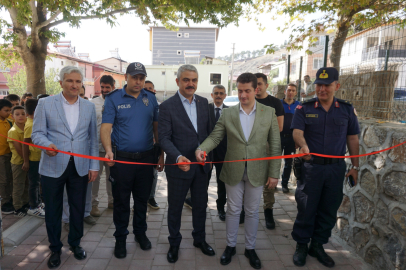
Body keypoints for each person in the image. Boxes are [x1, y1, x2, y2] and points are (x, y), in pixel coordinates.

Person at [196, 73, 281, 269]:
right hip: (233, 169)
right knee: (233, 210)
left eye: (247, 91)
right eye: (240, 91)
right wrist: (202, 149)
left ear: (256, 90)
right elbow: (215, 137)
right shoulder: (229, 113)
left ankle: (250, 248)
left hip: (257, 171)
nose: (243, 95)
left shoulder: (268, 113)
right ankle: (231, 246)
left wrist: (274, 173)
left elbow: (275, 145)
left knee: (251, 211)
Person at [291, 67, 360, 268]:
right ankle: (302, 245)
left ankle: (318, 245)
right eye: (319, 85)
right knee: (306, 208)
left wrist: (355, 166)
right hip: (311, 168)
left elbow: (353, 138)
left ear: (336, 86)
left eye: (327, 85)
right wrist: (303, 146)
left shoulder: (346, 110)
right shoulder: (305, 109)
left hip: (335, 169)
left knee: (329, 209)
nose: (322, 89)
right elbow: (297, 132)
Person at [32, 66, 99, 269]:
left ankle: (75, 243)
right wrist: (46, 146)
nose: (74, 85)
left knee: (78, 209)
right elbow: (37, 134)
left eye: (78, 82)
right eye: (70, 81)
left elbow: (93, 139)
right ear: (61, 82)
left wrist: (94, 165)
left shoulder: (88, 107)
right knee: (53, 210)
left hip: (80, 167)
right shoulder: (45, 103)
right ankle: (54, 248)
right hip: (53, 165)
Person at [101, 62, 163, 258]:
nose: (138, 81)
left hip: (146, 159)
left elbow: (157, 128)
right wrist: (108, 150)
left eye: (142, 78)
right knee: (121, 202)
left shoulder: (150, 98)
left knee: (142, 201)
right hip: (122, 161)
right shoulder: (114, 99)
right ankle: (120, 238)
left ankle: (140, 233)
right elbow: (106, 127)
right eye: (135, 77)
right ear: (126, 77)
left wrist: (160, 153)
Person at [158, 64, 214, 263]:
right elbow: (163, 138)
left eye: (194, 80)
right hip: (179, 166)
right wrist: (177, 156)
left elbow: (208, 134)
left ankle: (199, 239)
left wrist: (206, 153)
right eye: (186, 80)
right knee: (175, 207)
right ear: (178, 81)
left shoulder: (204, 103)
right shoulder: (166, 107)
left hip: (201, 166)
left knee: (200, 205)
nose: (191, 84)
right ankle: (174, 243)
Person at [254, 73, 284, 230]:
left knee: (269, 181)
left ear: (266, 85)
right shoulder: (248, 100)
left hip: (268, 145)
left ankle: (268, 211)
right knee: (247, 177)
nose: (257, 87)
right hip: (250, 146)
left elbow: (279, 127)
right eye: (255, 84)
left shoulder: (274, 102)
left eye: (259, 84)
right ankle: (244, 212)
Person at [90, 75, 115, 217]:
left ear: (113, 87)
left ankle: (112, 201)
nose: (105, 90)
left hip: (114, 149)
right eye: (103, 87)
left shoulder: (117, 102)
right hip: (96, 148)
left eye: (108, 87)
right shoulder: (93, 104)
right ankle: (94, 204)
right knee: (95, 178)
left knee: (112, 177)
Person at [22, 99, 45, 218]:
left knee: (37, 182)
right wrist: (26, 161)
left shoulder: (34, 122)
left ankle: (38, 203)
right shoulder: (31, 125)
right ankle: (33, 207)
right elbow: (25, 144)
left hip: (39, 158)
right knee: (34, 183)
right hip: (33, 160)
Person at [208, 84, 228, 221]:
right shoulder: (205, 109)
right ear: (212, 95)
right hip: (207, 153)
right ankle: (200, 206)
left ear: (225, 95)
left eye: (221, 93)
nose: (218, 95)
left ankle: (220, 207)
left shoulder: (230, 111)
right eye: (216, 93)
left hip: (223, 153)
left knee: (222, 183)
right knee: (203, 181)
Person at [7, 105, 29, 217]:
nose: (21, 116)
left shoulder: (27, 127)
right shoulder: (13, 131)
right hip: (18, 162)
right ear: (12, 116)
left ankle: (25, 203)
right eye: (17, 114)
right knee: (18, 184)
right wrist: (26, 161)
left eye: (23, 114)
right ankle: (17, 207)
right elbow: (19, 149)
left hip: (27, 161)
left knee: (27, 183)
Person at [143, 80, 160, 210]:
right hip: (140, 148)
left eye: (150, 88)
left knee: (153, 174)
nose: (148, 90)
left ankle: (151, 197)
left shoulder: (156, 105)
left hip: (153, 146)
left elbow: (159, 128)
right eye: (146, 88)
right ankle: (140, 201)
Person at [280, 83, 300, 193]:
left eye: (293, 90)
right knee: (275, 162)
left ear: (296, 93)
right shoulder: (278, 104)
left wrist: (298, 140)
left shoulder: (299, 105)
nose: (290, 92)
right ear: (285, 91)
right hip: (278, 138)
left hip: (291, 139)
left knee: (288, 163)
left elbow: (301, 124)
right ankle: (272, 184)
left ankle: (284, 184)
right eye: (289, 90)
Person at [0, 99, 14, 214]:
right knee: (3, 180)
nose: (9, 112)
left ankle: (9, 198)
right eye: (6, 110)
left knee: (9, 178)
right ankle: (4, 202)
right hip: (1, 156)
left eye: (10, 110)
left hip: (10, 154)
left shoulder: (9, 122)